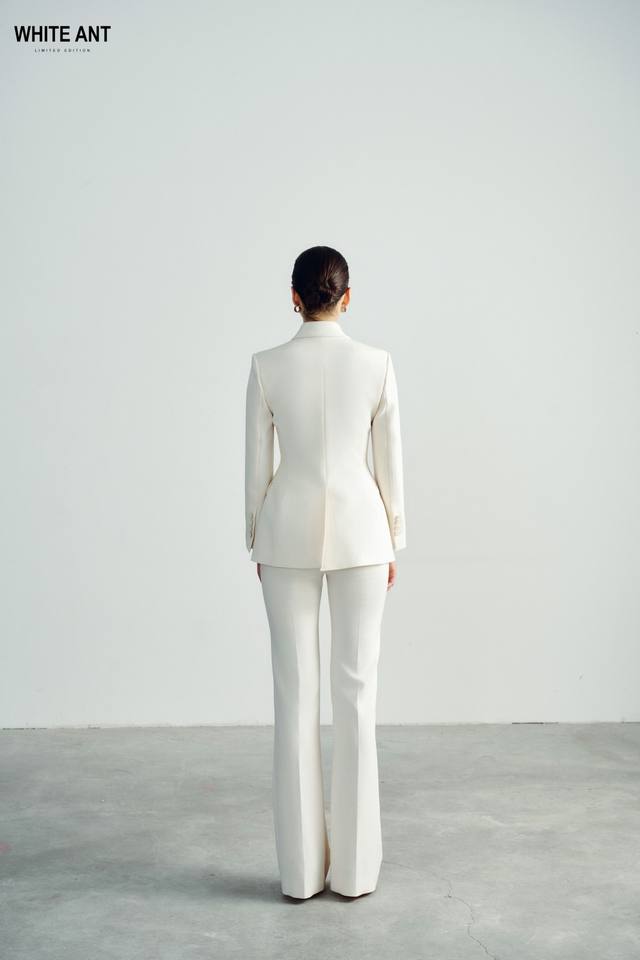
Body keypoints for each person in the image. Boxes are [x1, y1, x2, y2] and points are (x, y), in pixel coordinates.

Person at [244, 245, 406, 900]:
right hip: (363, 535)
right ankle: (357, 872)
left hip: (285, 533)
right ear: (346, 296)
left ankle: (301, 873)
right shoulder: (377, 364)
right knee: (357, 693)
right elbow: (389, 464)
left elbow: (257, 467)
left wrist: (255, 537)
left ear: (294, 296)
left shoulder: (266, 366)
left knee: (294, 695)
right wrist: (394, 540)